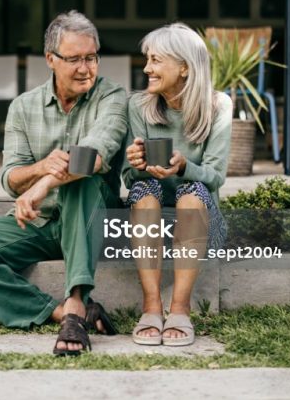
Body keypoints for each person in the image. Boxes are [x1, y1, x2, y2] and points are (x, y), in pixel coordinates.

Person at [0, 10, 127, 356]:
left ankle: (76, 300)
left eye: (91, 57)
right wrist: (40, 167)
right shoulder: (23, 107)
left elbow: (96, 154)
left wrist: (42, 185)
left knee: (81, 180)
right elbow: (11, 179)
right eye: (74, 59)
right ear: (50, 60)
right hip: (42, 224)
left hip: (93, 222)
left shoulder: (112, 97)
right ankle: (61, 313)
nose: (85, 69)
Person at [123, 23, 231, 346]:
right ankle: (152, 306)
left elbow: (215, 176)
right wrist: (136, 165)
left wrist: (184, 167)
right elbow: (129, 181)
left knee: (193, 190)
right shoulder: (138, 107)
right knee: (142, 190)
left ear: (184, 67)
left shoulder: (218, 106)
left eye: (155, 60)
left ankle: (181, 308)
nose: (147, 68)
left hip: (201, 221)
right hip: (151, 219)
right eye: (147, 60)